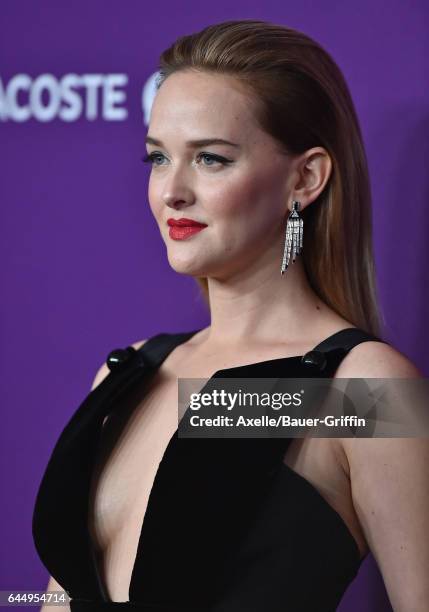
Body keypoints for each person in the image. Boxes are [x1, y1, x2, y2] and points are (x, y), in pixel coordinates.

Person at [32, 19, 428, 612]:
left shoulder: (363, 388)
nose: (172, 191)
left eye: (211, 159)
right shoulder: (132, 372)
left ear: (305, 177)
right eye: (158, 157)